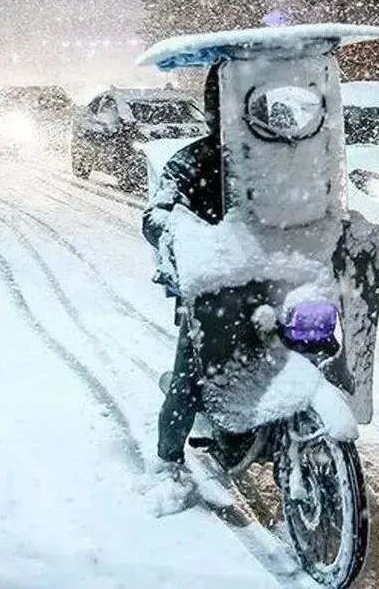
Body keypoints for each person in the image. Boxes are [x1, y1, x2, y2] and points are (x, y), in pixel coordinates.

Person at [141, 64, 224, 514]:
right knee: (190, 377)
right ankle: (168, 461)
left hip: (283, 283)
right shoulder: (191, 161)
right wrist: (176, 230)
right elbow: (154, 217)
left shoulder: (288, 160)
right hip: (216, 286)